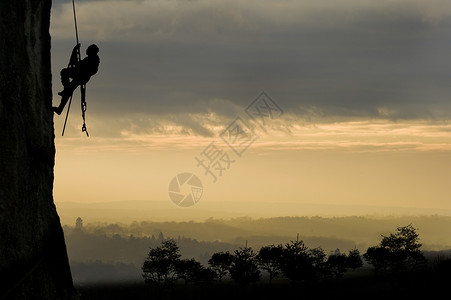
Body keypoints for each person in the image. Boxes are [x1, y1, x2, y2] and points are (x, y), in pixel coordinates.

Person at [53, 44, 100, 115]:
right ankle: (60, 108)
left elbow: (79, 65)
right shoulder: (89, 59)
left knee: (65, 74)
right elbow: (76, 63)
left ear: (91, 51)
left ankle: (62, 103)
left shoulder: (93, 60)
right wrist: (75, 51)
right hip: (80, 76)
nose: (86, 50)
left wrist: (75, 51)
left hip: (81, 77)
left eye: (88, 49)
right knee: (67, 87)